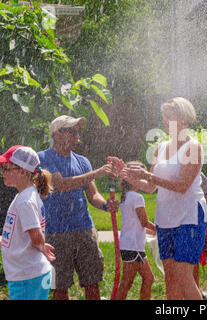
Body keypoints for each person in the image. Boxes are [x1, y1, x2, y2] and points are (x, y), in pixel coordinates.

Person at [120, 97, 207, 300]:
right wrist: (127, 174)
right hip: (165, 218)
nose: (163, 122)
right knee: (170, 275)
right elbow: (151, 187)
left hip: (189, 216)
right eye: (163, 117)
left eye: (168, 117)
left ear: (183, 119)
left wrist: (147, 176)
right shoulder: (160, 148)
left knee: (183, 274)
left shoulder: (193, 147)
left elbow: (182, 186)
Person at [37, 115, 119, 300]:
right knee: (60, 287)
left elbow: (93, 195)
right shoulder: (43, 157)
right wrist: (96, 173)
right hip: (56, 233)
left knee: (92, 282)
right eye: (72, 131)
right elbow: (61, 184)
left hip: (84, 229)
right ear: (57, 134)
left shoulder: (83, 161)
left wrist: (106, 205)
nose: (77, 135)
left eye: (78, 131)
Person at [0, 145, 55, 300]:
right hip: (27, 275)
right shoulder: (23, 196)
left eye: (7, 169)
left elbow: (37, 237)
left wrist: (40, 245)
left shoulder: (25, 201)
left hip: (27, 277)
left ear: (23, 172)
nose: (3, 173)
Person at [115, 161, 156, 300]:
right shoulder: (137, 197)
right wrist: (160, 229)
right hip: (133, 247)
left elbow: (136, 224)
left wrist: (153, 231)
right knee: (126, 283)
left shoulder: (126, 196)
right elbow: (144, 222)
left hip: (132, 246)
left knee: (148, 278)